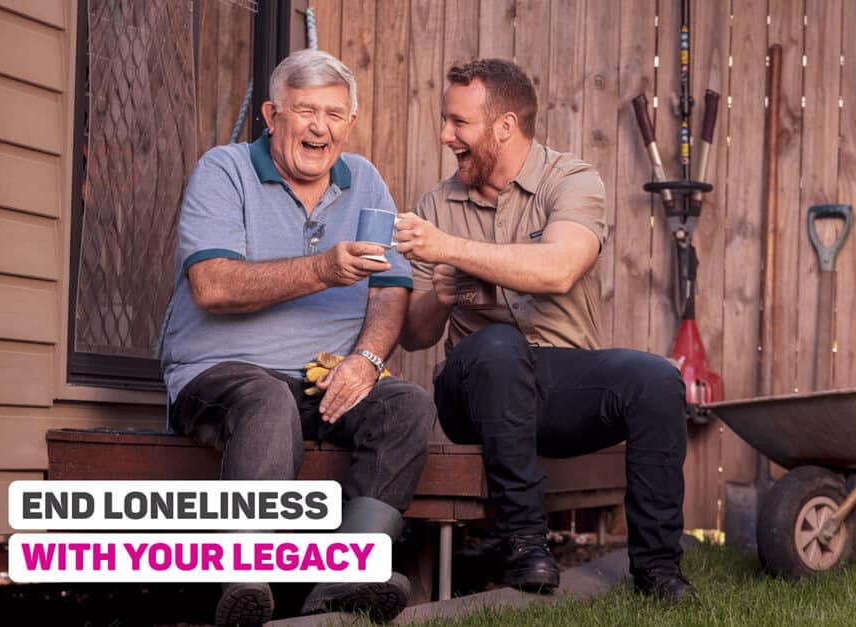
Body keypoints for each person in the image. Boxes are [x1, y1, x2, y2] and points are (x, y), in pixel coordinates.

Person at [396, 58, 697, 602]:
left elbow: (558, 268)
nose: (445, 136)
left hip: (558, 382)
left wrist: (449, 248)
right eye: (446, 121)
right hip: (474, 390)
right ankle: (525, 544)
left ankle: (658, 570)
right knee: (497, 348)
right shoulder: (436, 204)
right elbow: (415, 335)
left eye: (458, 123)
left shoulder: (572, 180)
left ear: (504, 126)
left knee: (656, 379)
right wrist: (439, 295)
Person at [160, 49, 435, 625]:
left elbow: (391, 287)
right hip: (222, 372)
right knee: (267, 399)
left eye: (335, 114)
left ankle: (346, 580)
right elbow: (211, 285)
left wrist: (363, 359)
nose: (320, 127)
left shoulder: (364, 181)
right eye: (305, 110)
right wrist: (323, 271)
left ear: (350, 124)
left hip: (323, 378)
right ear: (271, 114)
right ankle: (243, 574)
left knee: (405, 403)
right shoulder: (224, 169)